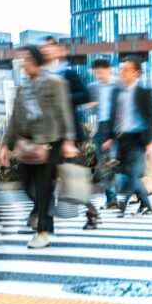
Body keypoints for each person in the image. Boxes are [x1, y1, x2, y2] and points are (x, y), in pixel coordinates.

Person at [0, 46, 78, 249]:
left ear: (35, 61)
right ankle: (47, 213)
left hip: (49, 142)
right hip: (26, 144)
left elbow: (64, 112)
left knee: (43, 188)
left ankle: (42, 232)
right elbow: (15, 119)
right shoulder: (22, 87)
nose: (23, 64)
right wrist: (6, 145)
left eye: (25, 59)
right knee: (27, 183)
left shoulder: (55, 83)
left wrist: (68, 141)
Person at [42, 38, 98, 229]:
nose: (47, 50)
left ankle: (90, 210)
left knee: (71, 176)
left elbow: (85, 95)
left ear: (59, 50)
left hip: (67, 134)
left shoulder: (68, 73)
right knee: (46, 175)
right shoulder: (41, 75)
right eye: (44, 47)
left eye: (50, 47)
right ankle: (41, 216)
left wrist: (63, 95)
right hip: (47, 134)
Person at [103, 56, 152, 217]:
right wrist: (109, 137)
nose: (122, 72)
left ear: (136, 73)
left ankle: (123, 204)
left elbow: (150, 118)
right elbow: (112, 116)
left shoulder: (143, 93)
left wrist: (151, 141)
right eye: (121, 69)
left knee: (132, 173)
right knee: (124, 173)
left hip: (138, 138)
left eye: (126, 69)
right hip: (120, 138)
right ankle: (146, 205)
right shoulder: (116, 92)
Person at [87, 58, 118, 209]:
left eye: (101, 72)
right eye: (96, 73)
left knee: (115, 162)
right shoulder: (93, 87)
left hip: (116, 128)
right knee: (104, 166)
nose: (99, 75)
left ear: (109, 70)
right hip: (100, 128)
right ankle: (111, 199)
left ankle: (133, 192)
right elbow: (88, 107)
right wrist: (91, 105)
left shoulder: (118, 84)